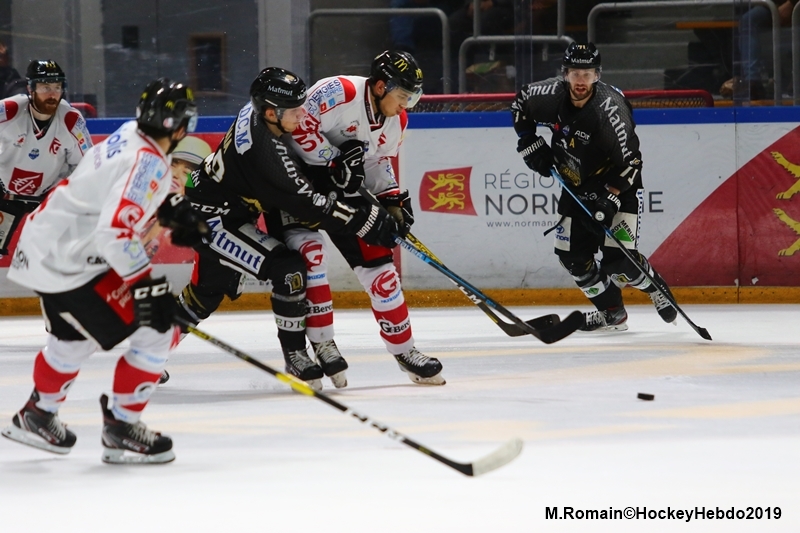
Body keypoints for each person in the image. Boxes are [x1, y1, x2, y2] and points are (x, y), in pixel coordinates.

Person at [1, 78, 205, 464]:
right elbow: (116, 233)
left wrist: (164, 208)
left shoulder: (130, 134)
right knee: (158, 330)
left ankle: (38, 414)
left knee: (74, 339)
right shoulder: (149, 162)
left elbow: (111, 191)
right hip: (71, 260)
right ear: (181, 128)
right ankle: (122, 428)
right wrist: (147, 287)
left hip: (49, 246)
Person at [172, 67, 400, 391]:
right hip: (211, 219)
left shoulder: (260, 120)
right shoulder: (265, 152)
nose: (302, 114)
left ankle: (148, 354)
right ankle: (295, 354)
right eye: (294, 110)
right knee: (288, 269)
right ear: (270, 113)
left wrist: (335, 165)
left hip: (224, 210)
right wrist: (364, 222)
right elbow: (308, 204)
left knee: (204, 296)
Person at [283, 50, 445, 387]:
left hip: (342, 191)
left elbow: (376, 163)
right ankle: (322, 343)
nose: (406, 106)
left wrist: (391, 199)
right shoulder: (339, 92)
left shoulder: (397, 120)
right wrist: (334, 159)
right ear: (382, 86)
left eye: (412, 99)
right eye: (403, 96)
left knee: (382, 271)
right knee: (310, 258)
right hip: (294, 186)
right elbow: (296, 128)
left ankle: (405, 350)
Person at [510, 42, 678, 332]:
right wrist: (527, 140)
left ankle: (655, 289)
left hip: (617, 186)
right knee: (571, 257)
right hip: (575, 186)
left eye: (587, 74)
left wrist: (610, 197)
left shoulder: (610, 111)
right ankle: (611, 311)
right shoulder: (550, 95)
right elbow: (520, 102)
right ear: (565, 74)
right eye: (575, 73)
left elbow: (632, 162)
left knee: (618, 262)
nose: (580, 81)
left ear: (597, 76)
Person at [0, 59, 92, 256]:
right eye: (45, 87)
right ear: (30, 88)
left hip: (49, 198)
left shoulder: (71, 120)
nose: (52, 94)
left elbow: (87, 166)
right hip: (5, 194)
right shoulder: (9, 110)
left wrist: (70, 198)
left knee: (68, 256)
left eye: (57, 87)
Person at [720, 0, 796, 100]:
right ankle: (751, 82)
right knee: (745, 20)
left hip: (789, 4)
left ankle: (752, 81)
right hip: (769, 4)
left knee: (748, 21)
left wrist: (791, 3)